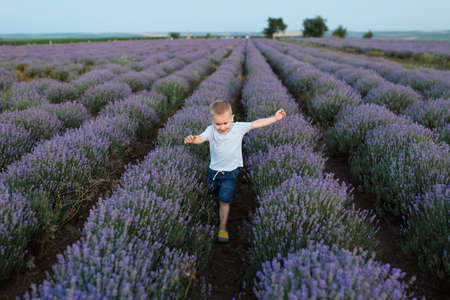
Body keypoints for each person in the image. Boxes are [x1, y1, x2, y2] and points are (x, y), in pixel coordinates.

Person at [184, 100, 286, 243]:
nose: (222, 127)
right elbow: (201, 138)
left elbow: (257, 123)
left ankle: (222, 227)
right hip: (214, 172)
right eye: (218, 124)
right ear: (212, 121)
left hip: (230, 173)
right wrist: (193, 139)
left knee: (224, 200)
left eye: (225, 123)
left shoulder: (238, 128)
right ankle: (214, 210)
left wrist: (275, 118)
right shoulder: (211, 130)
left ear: (232, 118)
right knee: (214, 195)